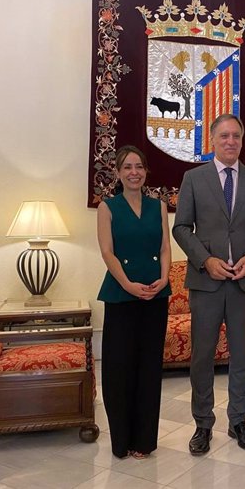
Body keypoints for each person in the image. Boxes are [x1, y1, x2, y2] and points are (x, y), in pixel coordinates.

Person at [172, 114, 245, 456]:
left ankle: (238, 421)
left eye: (236, 136)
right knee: (202, 356)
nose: (231, 141)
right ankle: (203, 424)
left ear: (242, 141)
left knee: (242, 356)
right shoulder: (193, 178)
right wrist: (206, 260)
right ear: (212, 140)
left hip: (244, 284)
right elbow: (182, 228)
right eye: (224, 136)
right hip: (206, 283)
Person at [97, 145, 172, 459]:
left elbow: (166, 247)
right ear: (118, 172)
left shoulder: (159, 207)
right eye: (127, 167)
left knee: (148, 369)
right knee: (119, 369)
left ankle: (144, 442)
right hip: (121, 296)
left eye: (139, 167)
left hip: (155, 295)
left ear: (145, 171)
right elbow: (107, 252)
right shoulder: (107, 207)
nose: (134, 172)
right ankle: (121, 442)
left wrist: (166, 278)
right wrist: (127, 283)